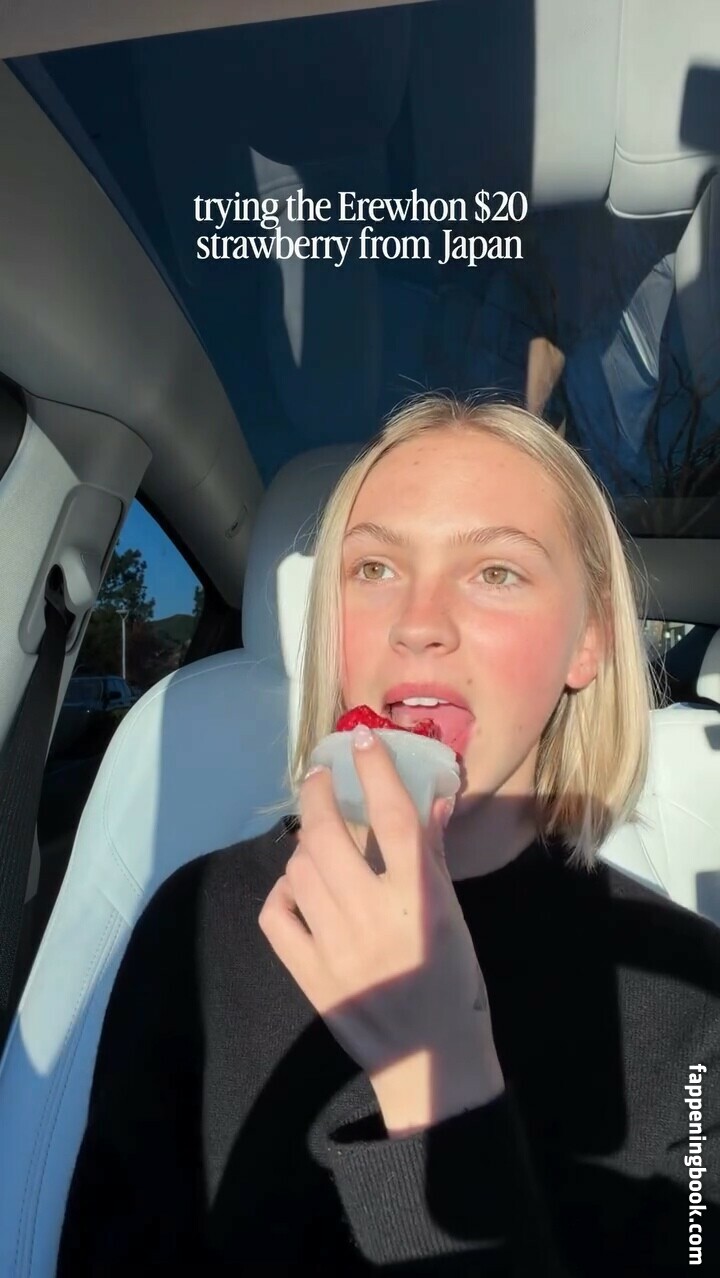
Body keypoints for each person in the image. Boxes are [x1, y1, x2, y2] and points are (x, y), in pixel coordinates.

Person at [57, 394, 720, 1276]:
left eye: (496, 572)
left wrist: (435, 1080)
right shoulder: (201, 919)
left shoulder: (693, 999)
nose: (417, 623)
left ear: (588, 641)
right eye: (373, 568)